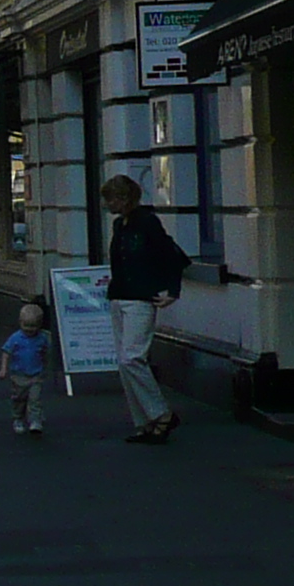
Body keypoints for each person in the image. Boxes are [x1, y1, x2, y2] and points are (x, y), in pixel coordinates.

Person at [100, 175, 190, 443]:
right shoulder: (120, 225)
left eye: (111, 199)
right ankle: (144, 422)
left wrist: (172, 291)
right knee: (125, 362)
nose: (108, 204)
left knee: (132, 358)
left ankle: (160, 413)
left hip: (141, 298)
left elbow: (171, 254)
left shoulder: (147, 222)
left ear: (124, 198)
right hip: (119, 296)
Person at [0, 300, 53, 437]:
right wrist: (3, 369)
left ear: (40, 325)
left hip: (36, 375)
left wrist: (46, 367)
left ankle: (35, 420)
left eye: (33, 326)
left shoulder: (42, 338)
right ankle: (18, 417)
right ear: (20, 322)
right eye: (26, 325)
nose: (29, 329)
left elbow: (46, 353)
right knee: (19, 398)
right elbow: (6, 352)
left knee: (35, 398)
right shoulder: (16, 338)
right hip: (19, 375)